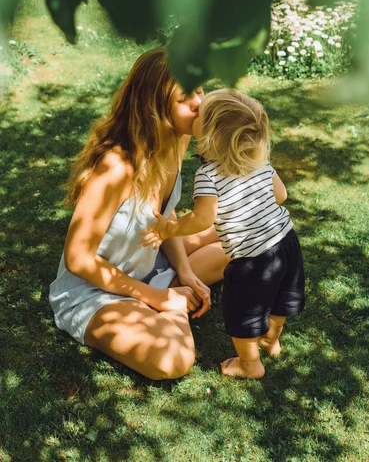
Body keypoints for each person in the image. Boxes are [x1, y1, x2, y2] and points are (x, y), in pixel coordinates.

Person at [49, 46, 229, 380]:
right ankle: (174, 306)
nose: (200, 103)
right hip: (95, 292)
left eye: (200, 89)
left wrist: (187, 273)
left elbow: (167, 216)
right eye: (185, 96)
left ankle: (175, 289)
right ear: (155, 109)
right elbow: (78, 259)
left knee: (236, 237)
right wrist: (161, 300)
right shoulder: (115, 167)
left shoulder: (176, 141)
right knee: (171, 361)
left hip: (147, 262)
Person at [140, 88, 305, 379]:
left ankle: (249, 364)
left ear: (210, 135)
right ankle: (271, 339)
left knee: (242, 309)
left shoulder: (209, 175)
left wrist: (170, 228)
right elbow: (281, 194)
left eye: (201, 113)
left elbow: (203, 218)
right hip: (287, 242)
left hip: (253, 259)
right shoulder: (258, 161)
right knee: (281, 298)